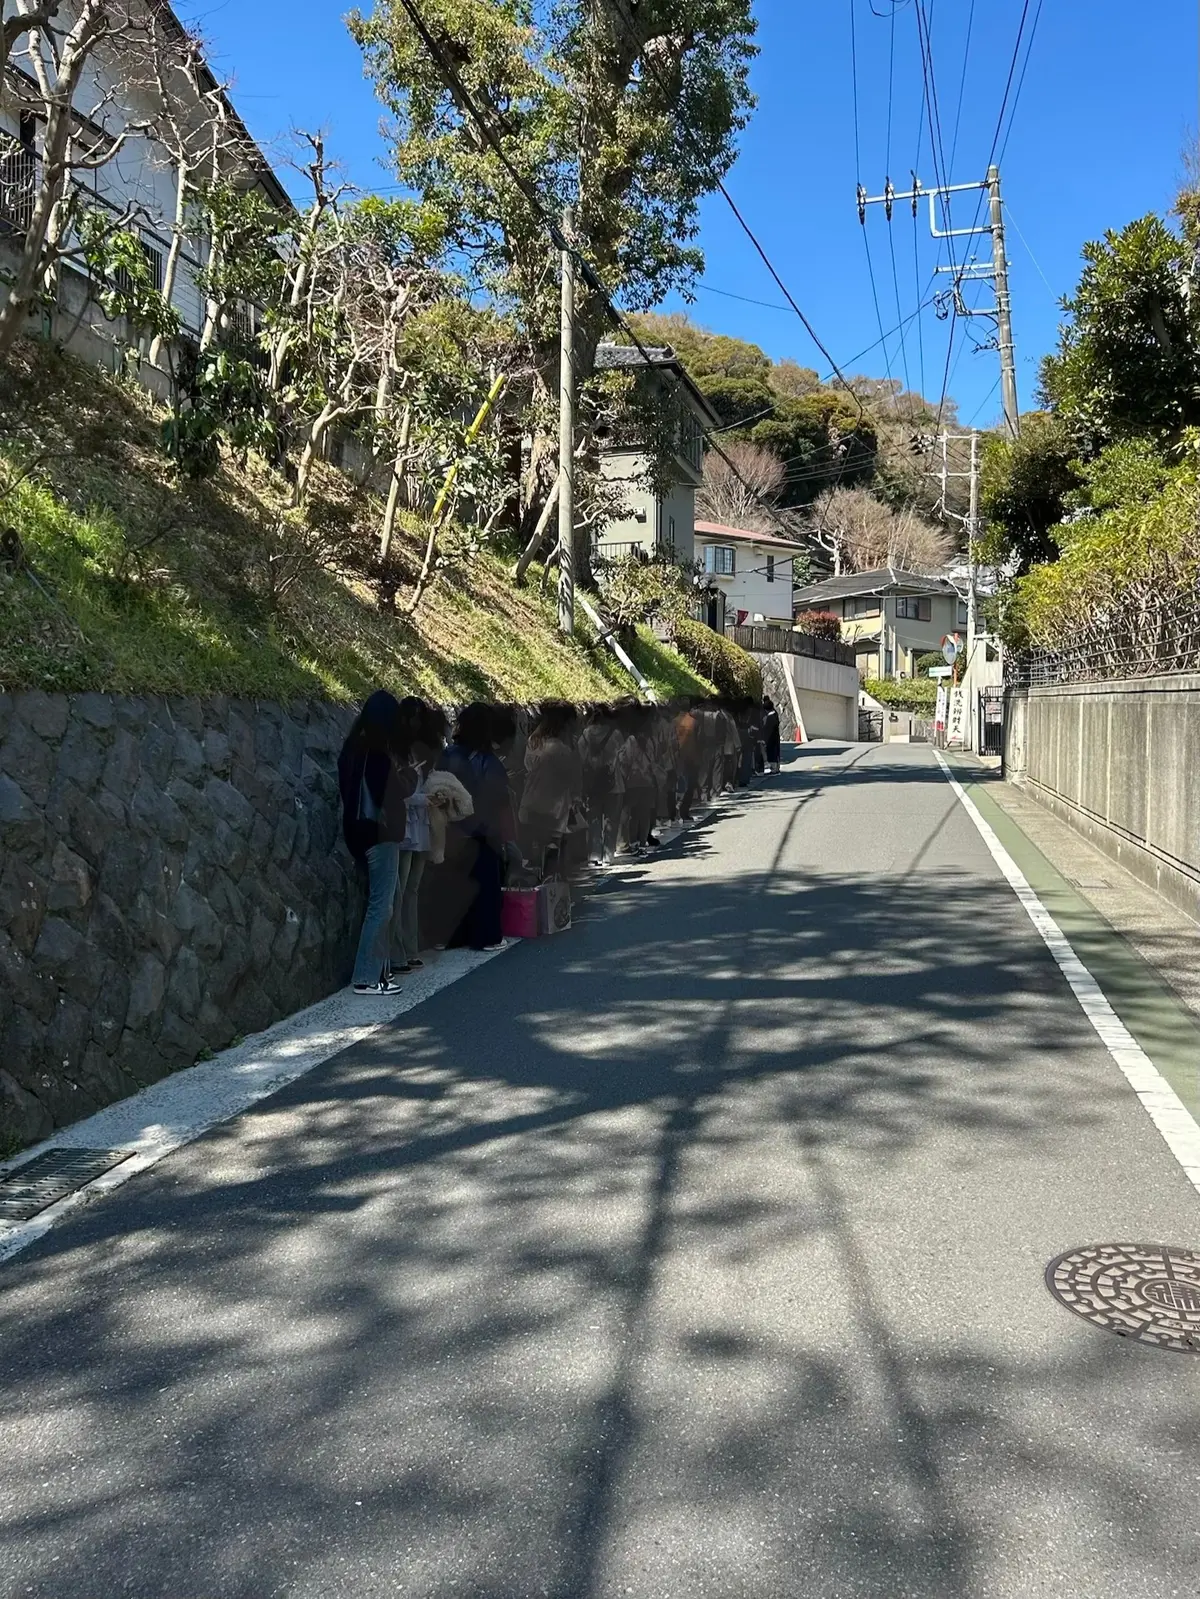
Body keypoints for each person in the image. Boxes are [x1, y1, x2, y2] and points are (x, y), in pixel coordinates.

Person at [337, 690, 420, 996]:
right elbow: (394, 794)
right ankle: (369, 977)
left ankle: (379, 970)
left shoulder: (350, 750)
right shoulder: (378, 755)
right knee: (382, 905)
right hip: (381, 835)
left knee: (385, 900)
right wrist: (409, 777)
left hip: (356, 832)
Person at [438, 703, 520, 950]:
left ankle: (451, 937)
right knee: (486, 888)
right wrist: (509, 840)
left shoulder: (448, 755)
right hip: (483, 833)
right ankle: (486, 937)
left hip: (450, 831)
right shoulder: (489, 761)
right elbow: (500, 802)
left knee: (451, 886)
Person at [519, 701, 582, 877]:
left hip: (529, 801)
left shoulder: (533, 741)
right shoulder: (563, 748)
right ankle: (550, 888)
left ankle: (534, 887)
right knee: (553, 850)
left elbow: (527, 766)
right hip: (555, 807)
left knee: (533, 852)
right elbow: (573, 776)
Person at [762, 695, 782, 774]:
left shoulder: (770, 717)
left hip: (771, 737)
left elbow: (767, 728)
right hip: (775, 736)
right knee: (776, 751)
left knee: (772, 752)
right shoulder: (775, 714)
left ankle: (774, 768)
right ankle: (776, 767)